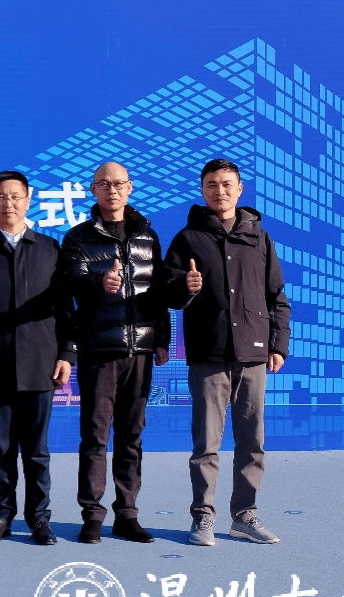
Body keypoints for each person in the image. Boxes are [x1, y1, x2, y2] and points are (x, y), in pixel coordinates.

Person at [163, 158, 291, 546]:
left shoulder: (259, 238)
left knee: (252, 442)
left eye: (226, 184)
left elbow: (276, 297)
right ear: (202, 190)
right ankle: (203, 517)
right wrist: (185, 286)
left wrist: (278, 344)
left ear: (239, 189)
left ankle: (244, 515)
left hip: (253, 353)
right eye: (212, 185)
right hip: (209, 353)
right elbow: (167, 295)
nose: (219, 191)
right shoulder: (187, 239)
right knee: (206, 444)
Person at [60, 161, 171, 545]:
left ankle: (127, 514)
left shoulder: (147, 236)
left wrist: (160, 339)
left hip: (139, 351)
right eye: (104, 184)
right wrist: (98, 281)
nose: (112, 190)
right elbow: (70, 283)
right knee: (95, 436)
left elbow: (157, 293)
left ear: (130, 187)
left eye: (119, 184)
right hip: (99, 350)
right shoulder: (77, 238)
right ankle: (92, 515)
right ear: (93, 190)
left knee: (131, 435)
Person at [0, 171, 75, 546]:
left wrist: (66, 354)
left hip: (41, 362)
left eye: (15, 196)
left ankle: (40, 518)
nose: (8, 203)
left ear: (28, 201)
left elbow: (65, 308)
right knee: (3, 449)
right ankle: (1, 516)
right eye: (0, 197)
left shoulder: (49, 248)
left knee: (38, 451)